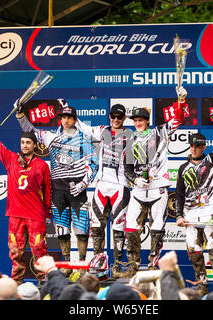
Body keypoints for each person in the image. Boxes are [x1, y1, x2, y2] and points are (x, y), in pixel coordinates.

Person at [16, 102, 98, 279]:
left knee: (81, 229)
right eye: (63, 117)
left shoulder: (84, 138)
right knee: (62, 230)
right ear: (60, 119)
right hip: (58, 190)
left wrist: (83, 184)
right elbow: (31, 131)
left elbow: (94, 163)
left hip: (77, 189)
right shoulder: (51, 137)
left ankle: (82, 265)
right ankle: (67, 265)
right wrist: (20, 115)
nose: (66, 120)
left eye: (69, 117)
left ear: (75, 120)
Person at [121, 86, 187, 278]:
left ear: (147, 121)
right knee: (131, 228)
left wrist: (181, 102)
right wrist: (135, 179)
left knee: (157, 229)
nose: (138, 123)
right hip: (139, 190)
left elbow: (179, 119)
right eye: (135, 120)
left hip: (158, 188)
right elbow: (126, 168)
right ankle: (133, 265)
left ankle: (152, 265)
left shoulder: (159, 132)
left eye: (141, 120)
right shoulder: (130, 140)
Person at [0, 113, 51, 285]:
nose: (25, 146)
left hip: (35, 215)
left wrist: (47, 211)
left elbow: (47, 190)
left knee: (39, 251)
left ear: (35, 145)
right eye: (23, 142)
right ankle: (16, 284)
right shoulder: (11, 159)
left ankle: (46, 284)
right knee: (15, 251)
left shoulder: (41, 165)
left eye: (28, 143)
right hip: (15, 215)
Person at [174, 112, 213, 298]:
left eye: (197, 146)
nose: (194, 149)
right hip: (190, 216)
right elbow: (179, 194)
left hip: (211, 213)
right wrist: (178, 216)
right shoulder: (183, 168)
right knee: (195, 253)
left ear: (204, 147)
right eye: (191, 145)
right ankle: (202, 285)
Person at [75, 103, 133, 278]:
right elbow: (83, 128)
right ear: (110, 116)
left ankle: (116, 266)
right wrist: (72, 112)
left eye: (119, 117)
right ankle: (98, 266)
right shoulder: (102, 130)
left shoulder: (130, 135)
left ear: (124, 118)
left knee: (118, 227)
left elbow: (138, 156)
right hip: (101, 185)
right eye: (113, 116)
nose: (116, 119)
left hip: (121, 185)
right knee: (97, 227)